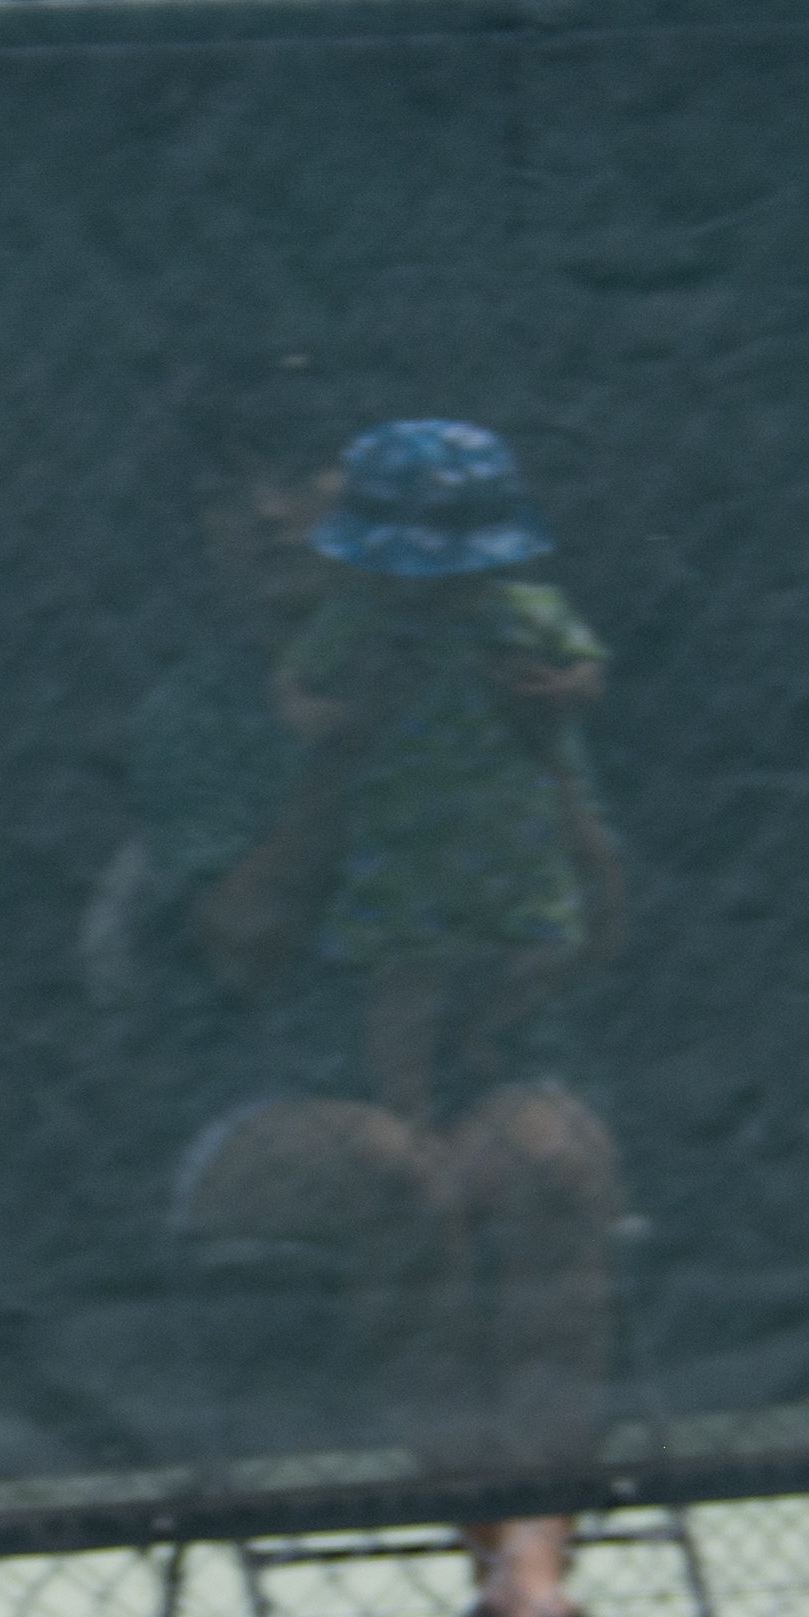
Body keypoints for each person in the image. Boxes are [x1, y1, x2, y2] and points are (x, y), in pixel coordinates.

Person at [102, 383, 638, 1617]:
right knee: (395, 1170)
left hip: (496, 1065)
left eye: (296, 478)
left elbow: (595, 926)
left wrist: (547, 749)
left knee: (550, 1163)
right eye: (229, 492)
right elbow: (241, 947)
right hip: (262, 1105)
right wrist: (335, 754)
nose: (268, 513)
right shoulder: (196, 715)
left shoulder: (505, 651)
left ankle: (523, 1593)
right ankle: (515, 1595)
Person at [271, 421, 624, 1130]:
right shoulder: (354, 621)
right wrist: (332, 719)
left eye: (449, 572)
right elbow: (293, 685)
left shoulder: (529, 613)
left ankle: (483, 1028)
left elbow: (589, 669)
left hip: (510, 837)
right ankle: (407, 1106)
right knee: (405, 981)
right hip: (406, 842)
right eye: (405, 572)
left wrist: (561, 695)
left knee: (547, 947)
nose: (427, 591)